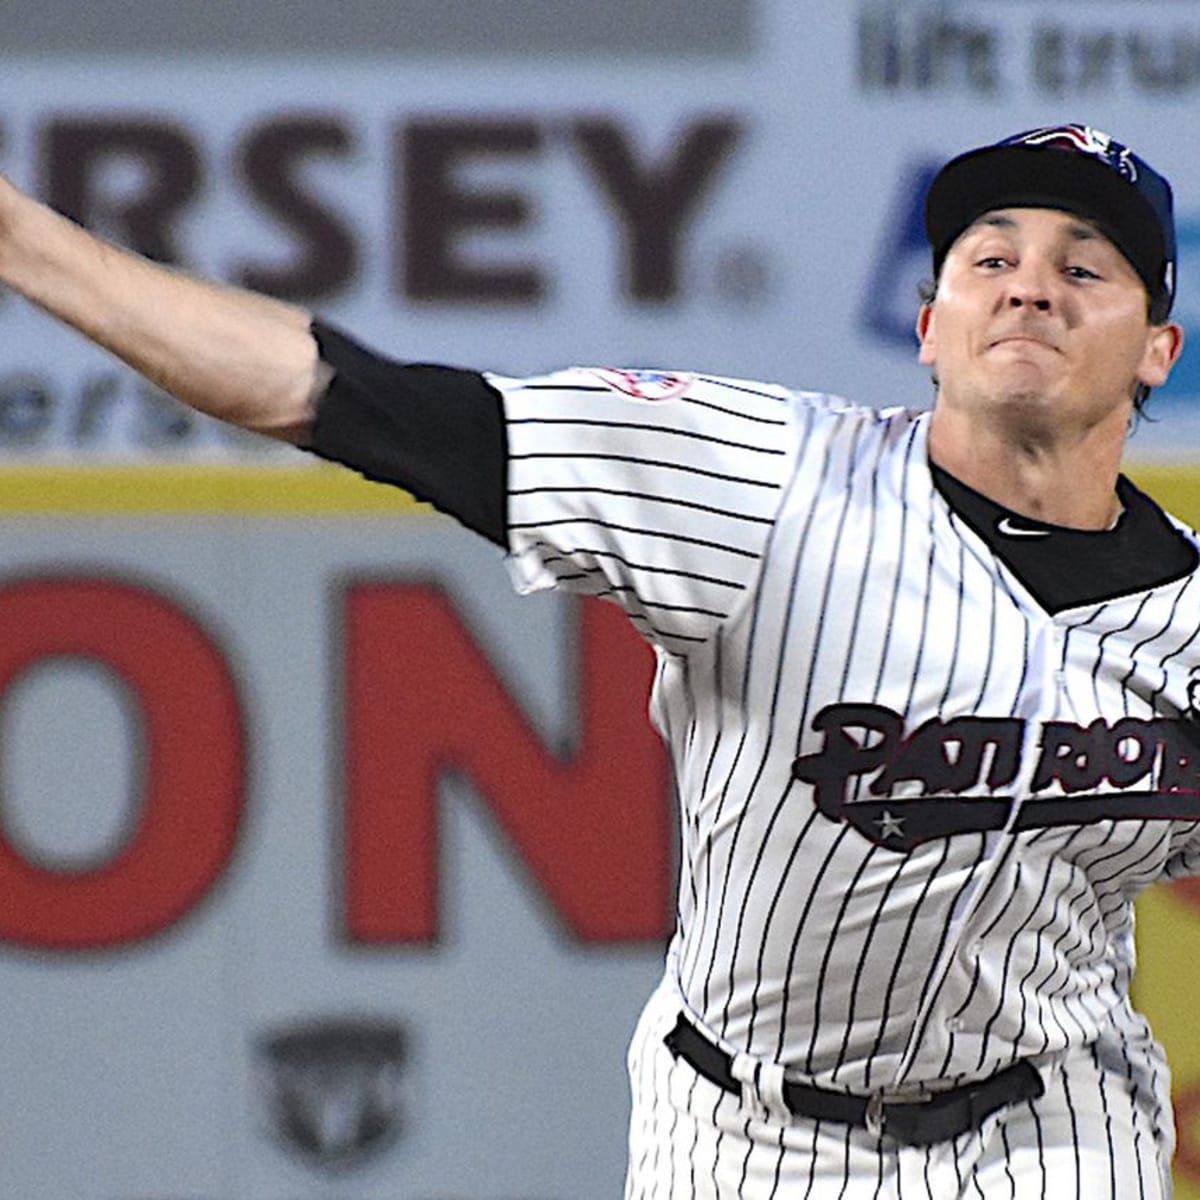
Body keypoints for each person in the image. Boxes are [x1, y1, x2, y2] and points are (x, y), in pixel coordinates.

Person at [0, 122, 1194, 1198]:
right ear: (929, 329)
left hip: (1054, 1123)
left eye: (1084, 269)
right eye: (991, 261)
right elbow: (346, 395)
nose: (1031, 286)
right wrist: (22, 241)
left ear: (1156, 349)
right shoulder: (763, 486)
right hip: (748, 1131)